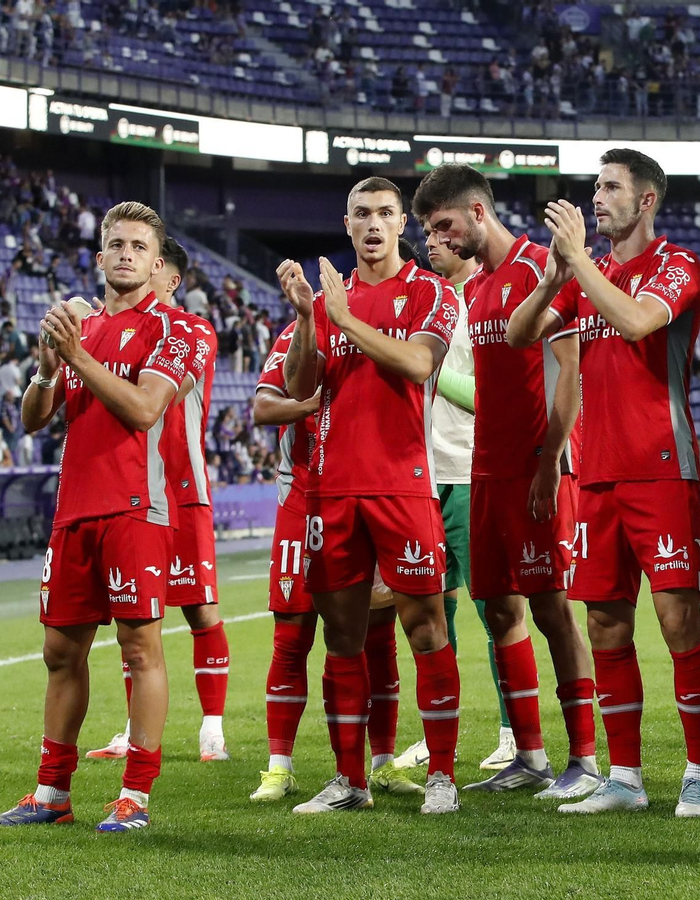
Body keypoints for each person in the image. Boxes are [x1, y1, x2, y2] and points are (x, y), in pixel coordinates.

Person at [507, 148, 700, 817]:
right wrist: (550, 278)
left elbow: (635, 322)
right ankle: (624, 777)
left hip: (662, 469)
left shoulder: (676, 265)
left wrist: (581, 264)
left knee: (678, 620)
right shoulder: (582, 275)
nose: (596, 199)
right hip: (596, 476)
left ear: (646, 199)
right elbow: (518, 336)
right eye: (594, 187)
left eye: (610, 187)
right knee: (604, 624)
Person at [0, 201, 189, 832]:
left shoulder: (176, 331)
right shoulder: (81, 331)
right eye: (116, 244)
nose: (126, 254)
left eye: (138, 247)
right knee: (59, 652)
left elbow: (144, 409)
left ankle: (136, 797)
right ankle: (51, 794)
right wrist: (47, 370)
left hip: (135, 508)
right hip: (74, 512)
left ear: (156, 263)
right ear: (99, 257)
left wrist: (78, 358)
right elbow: (34, 418)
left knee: (139, 647)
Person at [409, 163, 600, 800]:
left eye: (443, 224)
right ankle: (531, 755)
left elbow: (568, 374)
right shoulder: (483, 286)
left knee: (551, 608)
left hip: (533, 470)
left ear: (478, 212)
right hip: (483, 471)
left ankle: (585, 758)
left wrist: (549, 463)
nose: (438, 237)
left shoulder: (541, 265)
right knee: (499, 610)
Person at [276, 177, 463, 815]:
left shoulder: (429, 291)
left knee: (427, 629)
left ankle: (442, 773)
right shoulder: (326, 301)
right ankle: (350, 780)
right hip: (332, 491)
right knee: (343, 636)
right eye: (363, 214)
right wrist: (308, 318)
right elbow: (301, 383)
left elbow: (416, 365)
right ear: (348, 223)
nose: (375, 223)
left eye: (386, 212)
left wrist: (346, 319)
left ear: (401, 224)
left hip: (402, 483)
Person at [248, 322, 417, 802]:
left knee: (378, 634)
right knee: (292, 631)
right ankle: (279, 768)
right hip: (303, 498)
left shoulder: (380, 330)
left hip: (367, 494)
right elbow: (262, 406)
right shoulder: (298, 333)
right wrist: (311, 404)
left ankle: (382, 763)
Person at [82, 237, 231, 765]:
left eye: (155, 261)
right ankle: (132, 726)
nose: (140, 265)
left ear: (170, 279)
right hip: (130, 491)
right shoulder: (114, 331)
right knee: (134, 616)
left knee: (200, 609)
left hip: (181, 486)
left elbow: (152, 397)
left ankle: (212, 727)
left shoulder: (191, 332)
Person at [390, 207, 518, 778]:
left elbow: (495, 395)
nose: (432, 242)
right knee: (430, 613)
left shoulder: (488, 299)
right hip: (420, 477)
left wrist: (431, 371)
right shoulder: (428, 304)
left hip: (469, 472)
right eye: (426, 234)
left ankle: (514, 732)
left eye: (443, 232)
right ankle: (436, 729)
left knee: (496, 609)